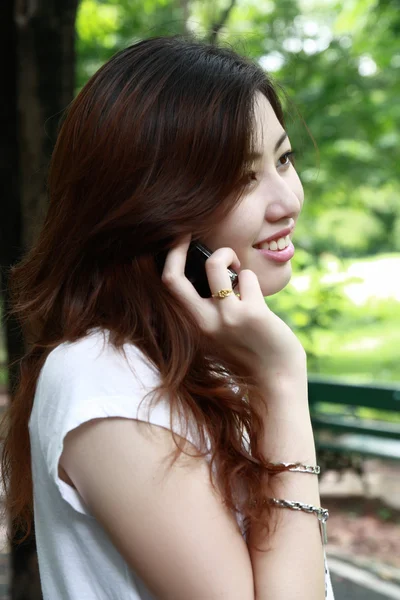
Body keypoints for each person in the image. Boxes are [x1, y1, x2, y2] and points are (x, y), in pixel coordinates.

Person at [1, 35, 334, 599]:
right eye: (240, 177)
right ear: (153, 209)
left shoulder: (199, 361)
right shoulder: (105, 381)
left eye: (283, 159)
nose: (287, 200)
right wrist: (282, 382)